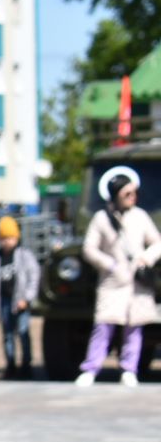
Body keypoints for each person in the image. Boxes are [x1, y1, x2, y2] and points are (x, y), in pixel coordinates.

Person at [76, 165, 161, 386]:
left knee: (135, 328)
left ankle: (129, 369)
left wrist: (146, 258)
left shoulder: (140, 216)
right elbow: (89, 248)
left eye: (134, 193)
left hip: (137, 282)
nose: (133, 197)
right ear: (116, 195)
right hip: (113, 281)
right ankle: (91, 368)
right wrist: (109, 264)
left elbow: (157, 242)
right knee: (103, 326)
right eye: (127, 194)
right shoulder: (101, 219)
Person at [0, 217, 41, 379]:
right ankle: (10, 365)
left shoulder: (24, 255)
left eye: (10, 238)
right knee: (7, 335)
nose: (7, 242)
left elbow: (34, 276)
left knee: (23, 333)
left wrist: (27, 298)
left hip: (20, 301)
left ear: (17, 238)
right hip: (3, 301)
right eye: (4, 238)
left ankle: (26, 366)